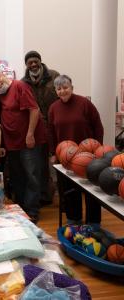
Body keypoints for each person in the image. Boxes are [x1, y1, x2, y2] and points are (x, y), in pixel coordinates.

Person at [0, 71, 47, 223]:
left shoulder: (19, 86)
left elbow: (34, 110)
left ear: (4, 76)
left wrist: (30, 134)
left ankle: (32, 211)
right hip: (12, 143)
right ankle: (21, 209)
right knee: (17, 177)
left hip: (28, 141)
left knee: (31, 175)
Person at [49, 75, 103, 227]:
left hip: (88, 156)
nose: (62, 91)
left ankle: (93, 222)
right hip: (66, 158)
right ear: (55, 91)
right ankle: (74, 220)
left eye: (65, 87)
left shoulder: (84, 103)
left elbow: (98, 126)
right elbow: (51, 132)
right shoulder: (53, 108)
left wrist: (98, 149)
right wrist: (54, 153)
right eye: (59, 89)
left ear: (72, 87)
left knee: (92, 190)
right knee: (70, 190)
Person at [22, 50, 60, 205]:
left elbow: (62, 95)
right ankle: (43, 196)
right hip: (37, 127)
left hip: (55, 124)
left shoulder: (54, 75)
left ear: (40, 61)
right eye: (29, 62)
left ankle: (61, 196)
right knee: (40, 164)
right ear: (26, 65)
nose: (33, 64)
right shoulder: (23, 82)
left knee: (56, 161)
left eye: (35, 61)